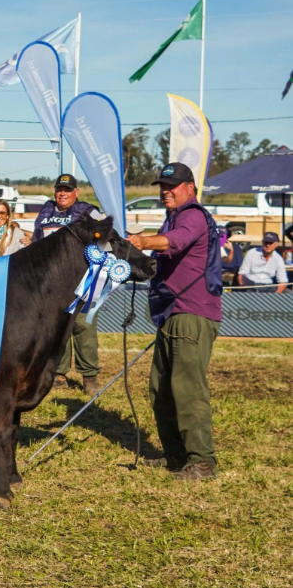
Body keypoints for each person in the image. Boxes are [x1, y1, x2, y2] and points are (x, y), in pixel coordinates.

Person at [127, 162, 223, 480]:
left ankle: (202, 462)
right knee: (161, 387)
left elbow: (176, 241)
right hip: (172, 313)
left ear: (190, 188)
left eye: (172, 185)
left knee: (187, 389)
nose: (165, 190)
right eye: (162, 186)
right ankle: (177, 455)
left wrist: (143, 241)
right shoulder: (174, 217)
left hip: (191, 315)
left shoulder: (192, 215)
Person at [33, 174, 102, 395]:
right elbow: (37, 243)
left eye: (67, 189)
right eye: (59, 189)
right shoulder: (46, 212)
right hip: (54, 283)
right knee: (58, 328)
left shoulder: (88, 211)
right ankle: (59, 373)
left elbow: (104, 239)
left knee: (83, 327)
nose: (62, 193)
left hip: (82, 280)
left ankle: (89, 375)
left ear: (76, 192)